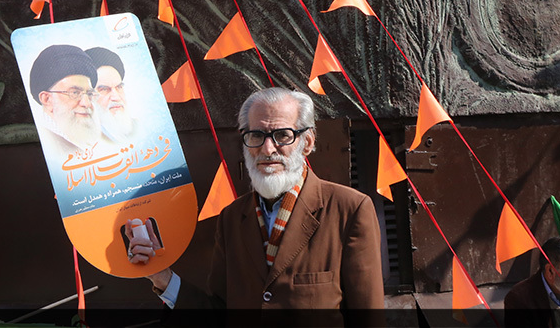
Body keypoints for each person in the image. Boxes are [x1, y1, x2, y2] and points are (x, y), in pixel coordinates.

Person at [127, 87, 384, 316]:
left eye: (282, 135)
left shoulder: (349, 209)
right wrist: (161, 277)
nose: (268, 148)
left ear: (307, 142)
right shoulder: (232, 217)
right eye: (256, 135)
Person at [29, 45, 103, 158]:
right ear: (47, 100)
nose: (87, 103)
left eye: (89, 94)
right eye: (75, 93)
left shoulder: (82, 143)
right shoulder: (41, 144)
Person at [84, 47, 139, 144]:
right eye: (104, 89)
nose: (116, 97)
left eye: (119, 87)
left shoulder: (139, 127)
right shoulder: (83, 140)